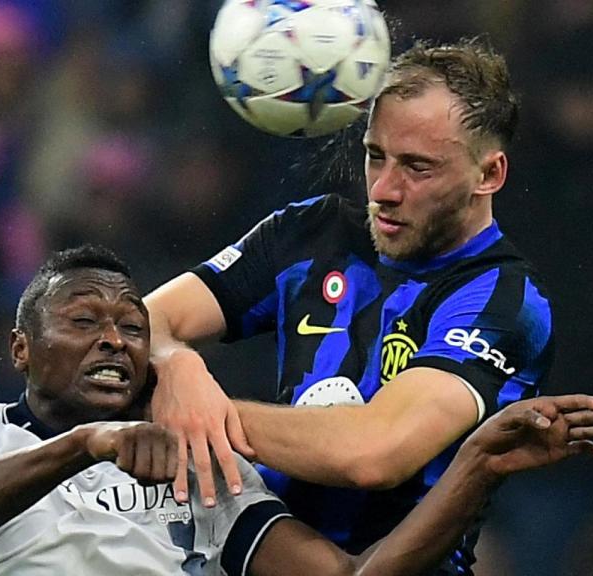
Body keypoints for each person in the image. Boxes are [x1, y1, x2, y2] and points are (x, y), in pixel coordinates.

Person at [0, 246, 593, 575]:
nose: (113, 338)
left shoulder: (194, 467)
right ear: (21, 350)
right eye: (82, 321)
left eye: (134, 327)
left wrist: (477, 465)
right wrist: (89, 445)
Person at [144, 37, 552, 570]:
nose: (384, 188)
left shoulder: (504, 300)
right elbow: (139, 324)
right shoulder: (311, 233)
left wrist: (203, 414)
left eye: (417, 167)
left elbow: (373, 452)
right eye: (374, 155)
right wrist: (177, 364)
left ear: (488, 175)